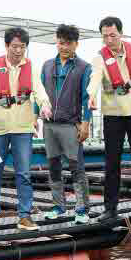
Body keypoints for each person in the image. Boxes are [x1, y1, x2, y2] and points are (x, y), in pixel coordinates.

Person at [0, 27, 52, 231]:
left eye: (22, 47)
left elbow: (40, 92)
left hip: (22, 127)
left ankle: (25, 216)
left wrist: (45, 106)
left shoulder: (32, 68)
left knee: (24, 174)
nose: (18, 51)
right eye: (14, 46)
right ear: (6, 46)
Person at [87, 16, 131, 222]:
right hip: (113, 116)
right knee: (111, 164)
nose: (109, 40)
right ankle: (110, 209)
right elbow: (94, 79)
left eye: (113, 35)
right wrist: (90, 96)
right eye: (105, 36)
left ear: (121, 33)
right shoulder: (100, 58)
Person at [39, 24, 92, 224]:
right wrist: (35, 118)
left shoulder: (84, 67)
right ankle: (58, 206)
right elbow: (40, 94)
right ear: (56, 41)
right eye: (61, 43)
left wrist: (85, 123)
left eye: (68, 43)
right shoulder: (46, 66)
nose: (64, 47)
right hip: (49, 125)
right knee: (53, 166)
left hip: (71, 125)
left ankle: (82, 209)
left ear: (76, 44)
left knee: (76, 168)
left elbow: (88, 98)